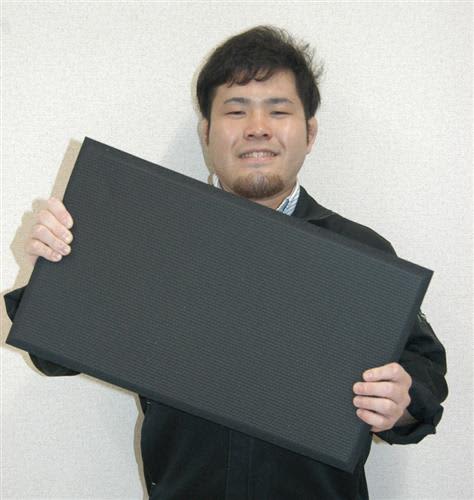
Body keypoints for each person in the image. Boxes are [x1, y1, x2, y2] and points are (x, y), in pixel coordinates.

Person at [4, 26, 447, 499]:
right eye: (236, 111)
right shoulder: (151, 239)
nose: (257, 127)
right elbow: (54, 355)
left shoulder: (362, 255)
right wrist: (53, 265)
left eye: (278, 110)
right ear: (207, 133)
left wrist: (402, 401)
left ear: (310, 132)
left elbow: (424, 375)